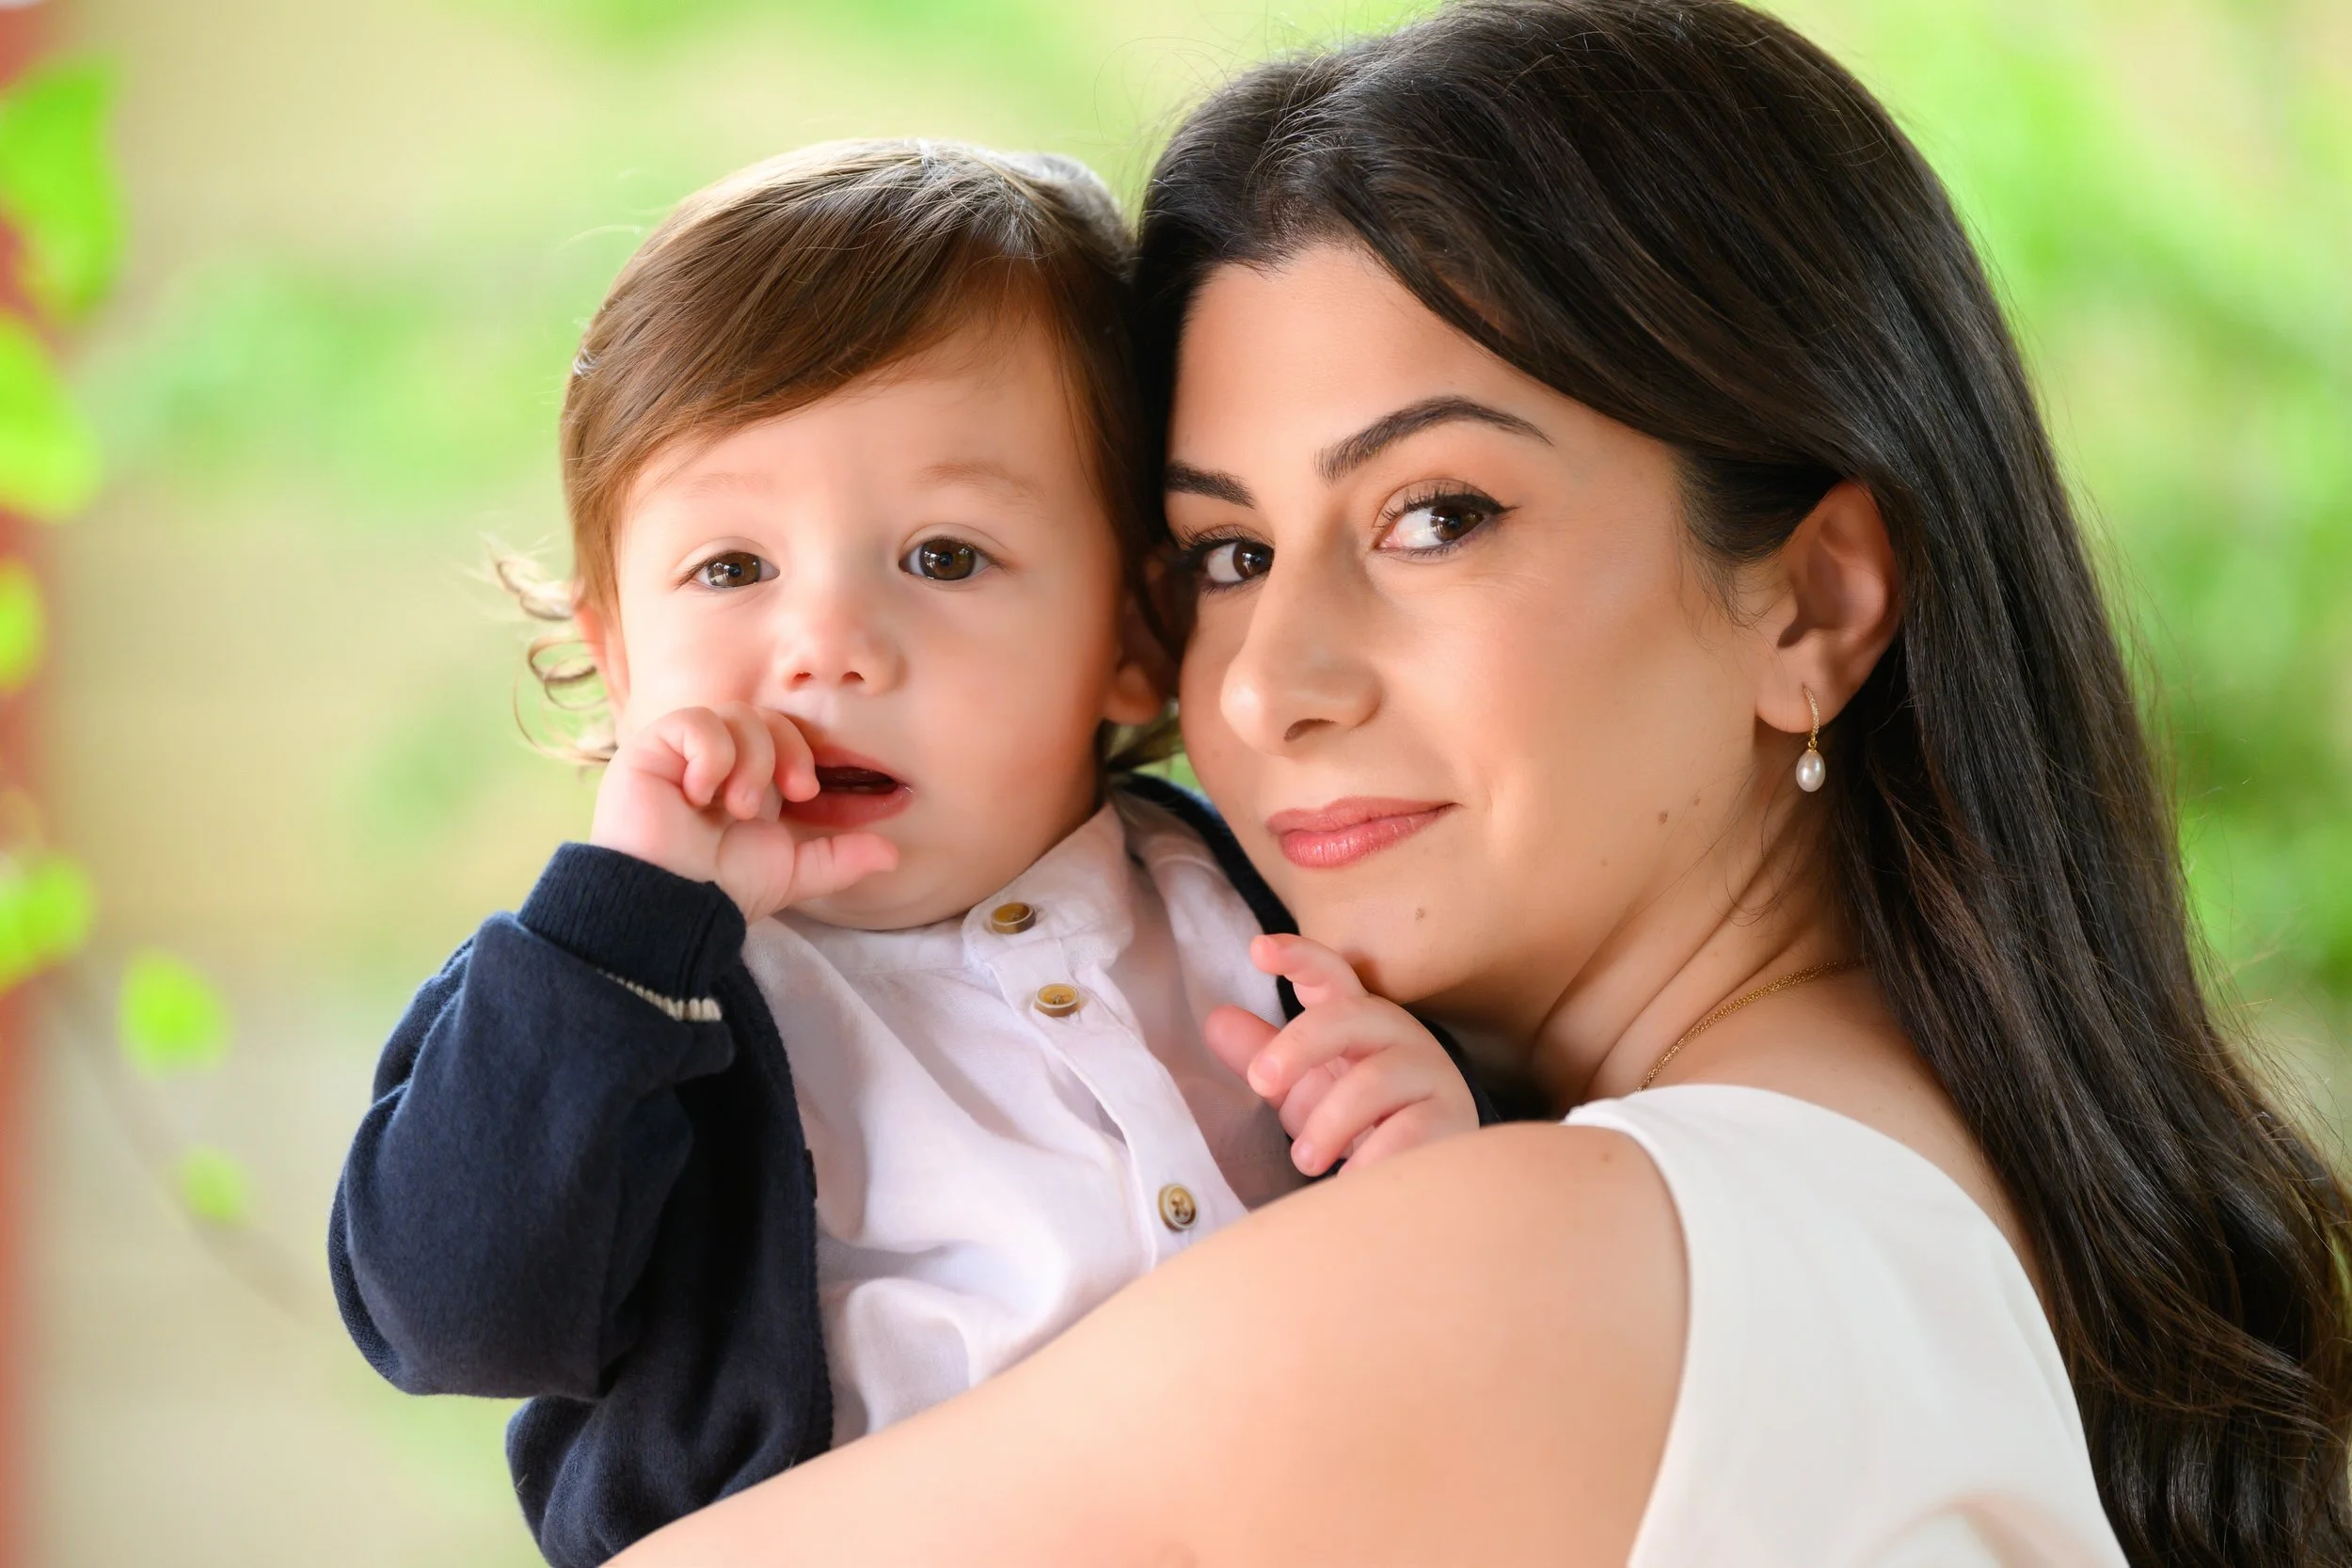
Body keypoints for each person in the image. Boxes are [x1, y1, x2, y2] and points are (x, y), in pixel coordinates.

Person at [607, 4, 2352, 1566]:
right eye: (1224, 553)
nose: (1273, 683)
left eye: (1435, 515)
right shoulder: (1959, 1232)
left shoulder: (1538, 1269)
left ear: (1812, 601)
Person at [325, 140, 1486, 1568]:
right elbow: (453, 1313)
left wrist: (1434, 1155)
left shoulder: (1259, 902)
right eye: (732, 568)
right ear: (617, 653)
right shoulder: (628, 995)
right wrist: (623, 929)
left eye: (944, 556)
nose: (832, 647)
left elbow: (1458, 1337)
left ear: (1133, 636)